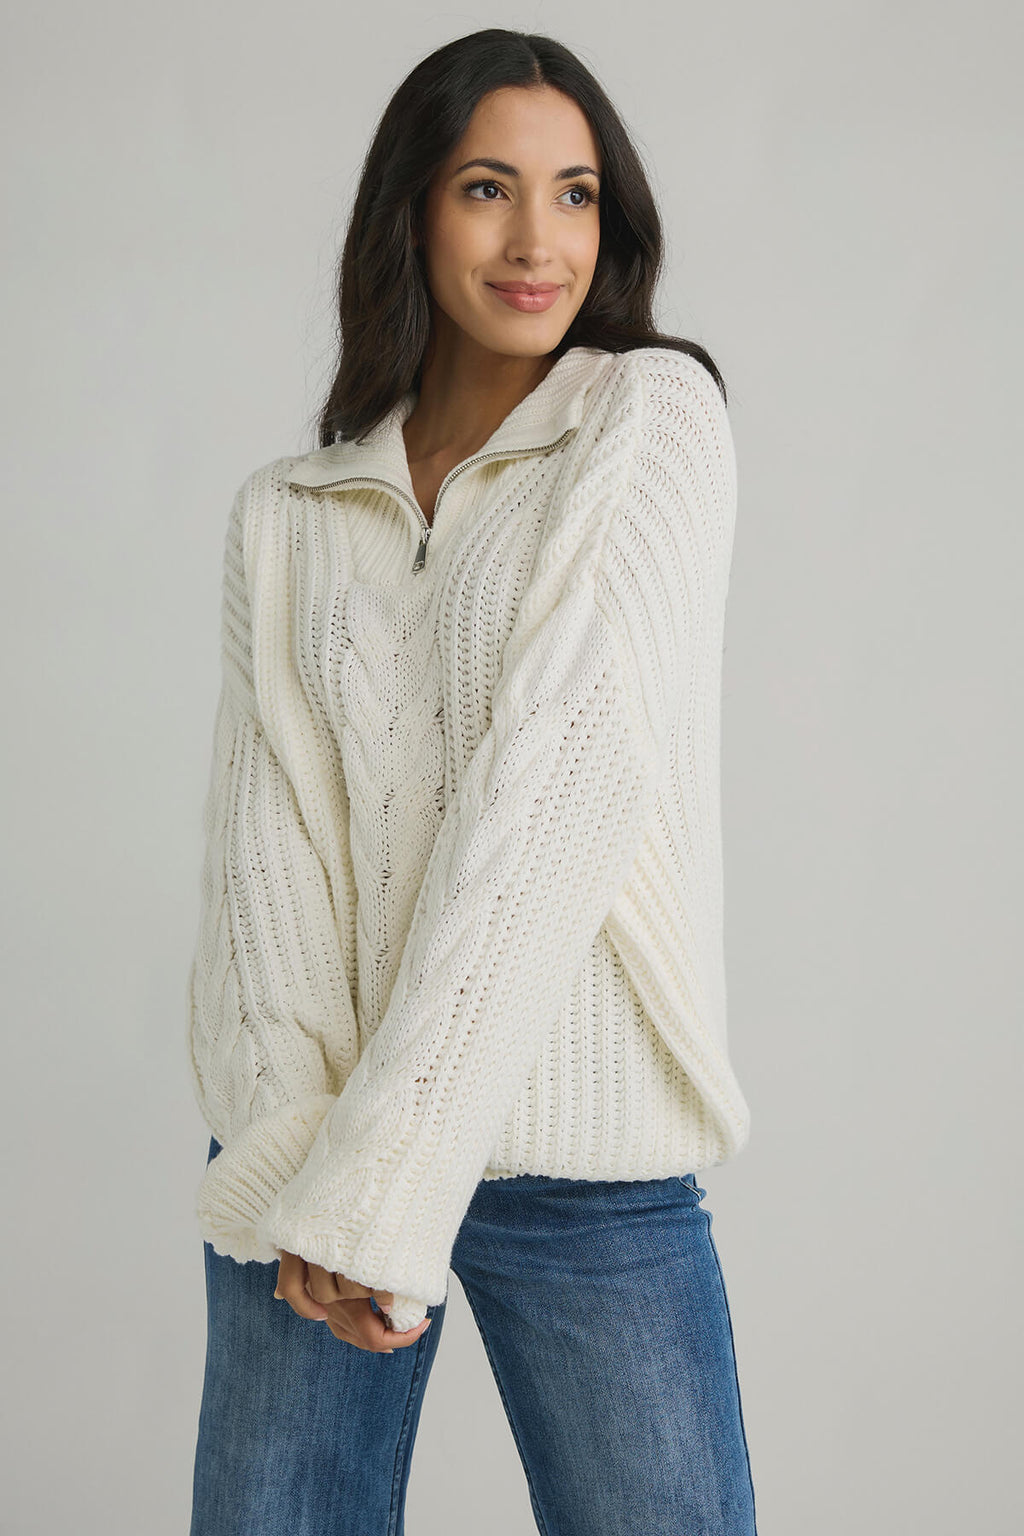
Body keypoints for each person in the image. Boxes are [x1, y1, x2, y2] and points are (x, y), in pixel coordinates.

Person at [186, 26, 757, 1536]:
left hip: (580, 1160)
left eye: (576, 196)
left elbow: (567, 777)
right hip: (312, 1165)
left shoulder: (650, 419)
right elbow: (267, 865)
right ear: (412, 210)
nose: (536, 243)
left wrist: (388, 1178)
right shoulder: (287, 514)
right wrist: (301, 1157)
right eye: (488, 188)